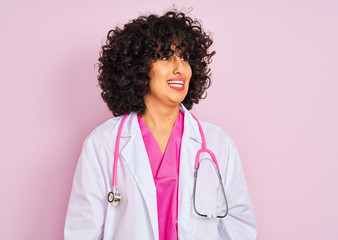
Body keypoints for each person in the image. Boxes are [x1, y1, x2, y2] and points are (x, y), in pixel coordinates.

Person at [64, 10, 257, 240]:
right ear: (138, 67)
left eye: (184, 57)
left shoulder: (218, 143)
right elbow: (82, 233)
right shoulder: (102, 143)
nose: (180, 68)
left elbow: (240, 229)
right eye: (166, 57)